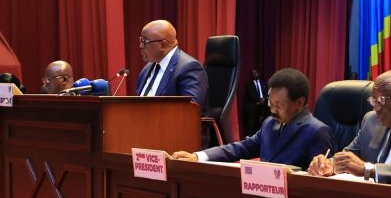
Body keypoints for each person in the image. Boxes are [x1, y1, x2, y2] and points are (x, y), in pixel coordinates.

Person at [171, 69, 332, 170]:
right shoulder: (269, 123)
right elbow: (241, 148)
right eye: (270, 103)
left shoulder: (317, 131)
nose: (272, 110)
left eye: (279, 105)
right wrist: (199, 157)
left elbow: (318, 176)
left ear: (299, 102)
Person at [135, 19, 208, 108]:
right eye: (140, 40)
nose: (140, 46)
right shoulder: (148, 67)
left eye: (144, 42)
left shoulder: (189, 68)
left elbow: (189, 111)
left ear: (162, 45)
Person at [242, 68, 270, 136]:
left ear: (259, 73)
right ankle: (251, 140)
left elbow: (267, 94)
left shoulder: (263, 83)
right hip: (253, 106)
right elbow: (250, 94)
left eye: (256, 72)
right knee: (252, 125)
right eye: (253, 73)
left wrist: (264, 99)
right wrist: (259, 100)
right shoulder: (249, 84)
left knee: (261, 124)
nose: (254, 74)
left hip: (262, 107)